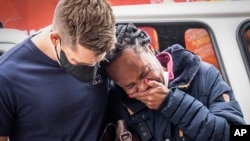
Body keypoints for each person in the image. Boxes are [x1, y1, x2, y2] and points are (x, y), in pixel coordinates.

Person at [102, 23, 245, 141]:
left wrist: (171, 102)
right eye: (130, 86)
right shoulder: (117, 100)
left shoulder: (203, 74)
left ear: (150, 49)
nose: (143, 86)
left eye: (145, 73)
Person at [0, 0, 116, 140]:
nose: (91, 72)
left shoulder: (108, 49)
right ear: (55, 39)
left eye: (99, 61)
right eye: (79, 63)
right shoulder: (6, 76)